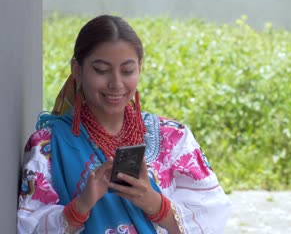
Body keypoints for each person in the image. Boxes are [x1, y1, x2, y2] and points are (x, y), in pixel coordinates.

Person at [17, 15, 232, 233]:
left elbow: (212, 215)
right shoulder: (47, 145)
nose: (116, 83)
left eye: (127, 70)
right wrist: (80, 207)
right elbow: (27, 226)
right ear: (77, 70)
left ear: (139, 68)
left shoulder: (173, 138)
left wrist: (157, 206)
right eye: (101, 70)